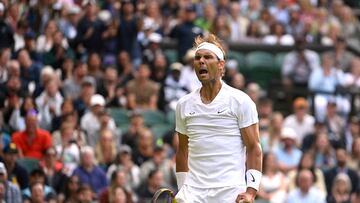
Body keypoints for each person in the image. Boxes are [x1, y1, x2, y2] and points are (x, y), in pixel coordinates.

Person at [175, 34, 262, 203]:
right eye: (197, 58)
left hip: (230, 193)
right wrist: (182, 188)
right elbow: (182, 151)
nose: (201, 61)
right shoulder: (183, 105)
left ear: (221, 66)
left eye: (207, 57)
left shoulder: (241, 101)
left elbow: (254, 148)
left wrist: (251, 192)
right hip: (192, 193)